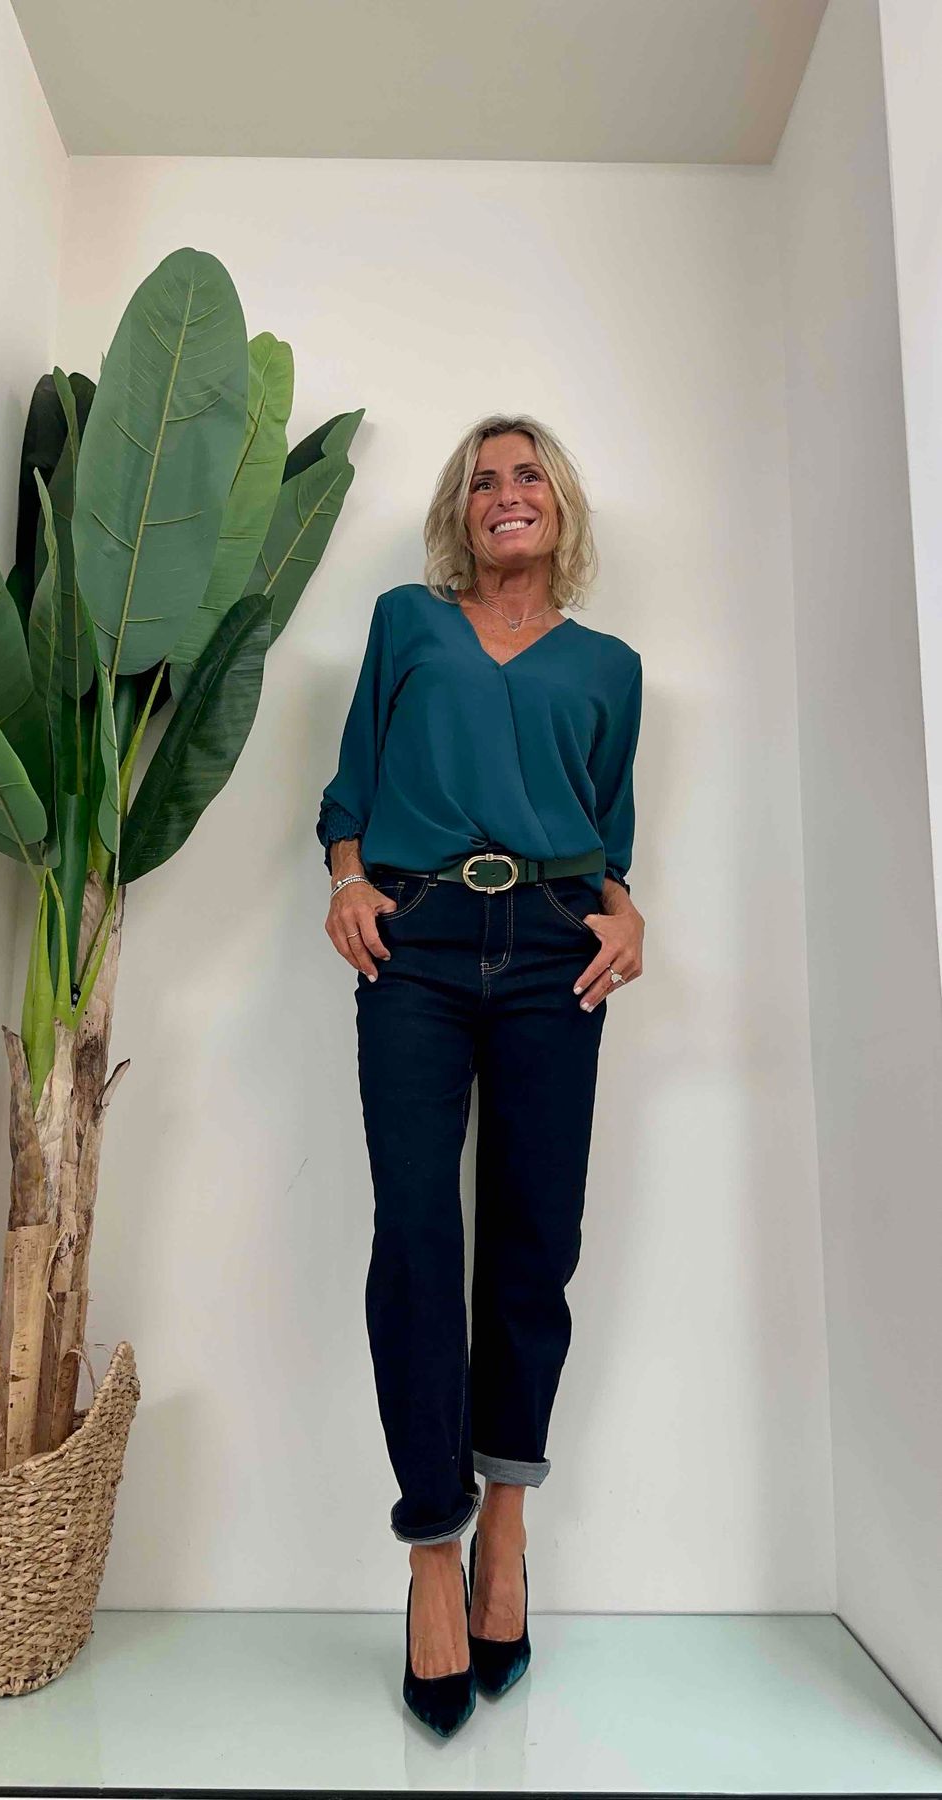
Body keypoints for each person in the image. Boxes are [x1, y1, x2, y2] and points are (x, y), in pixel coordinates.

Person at [316, 414, 644, 1736]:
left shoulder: (611, 667)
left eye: (528, 475)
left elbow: (607, 831)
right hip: (420, 940)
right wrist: (349, 881)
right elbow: (349, 788)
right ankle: (428, 1551)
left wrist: (627, 912)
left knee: (531, 1240)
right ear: (462, 512)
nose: (507, 492)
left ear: (559, 505)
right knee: (414, 1237)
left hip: (557, 949)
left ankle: (505, 1524)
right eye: (483, 479)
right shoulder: (408, 623)